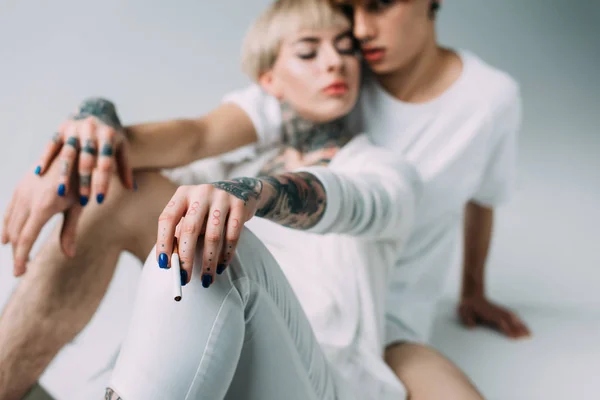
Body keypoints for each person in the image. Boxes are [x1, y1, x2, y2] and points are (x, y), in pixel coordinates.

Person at [0, 0, 524, 398]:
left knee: (213, 235)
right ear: (271, 82)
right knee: (123, 188)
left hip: (309, 367)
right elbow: (179, 140)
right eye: (310, 52)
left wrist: (256, 195)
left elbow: (344, 198)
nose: (338, 61)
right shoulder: (238, 157)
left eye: (346, 50)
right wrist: (90, 120)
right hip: (205, 359)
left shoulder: (382, 167)